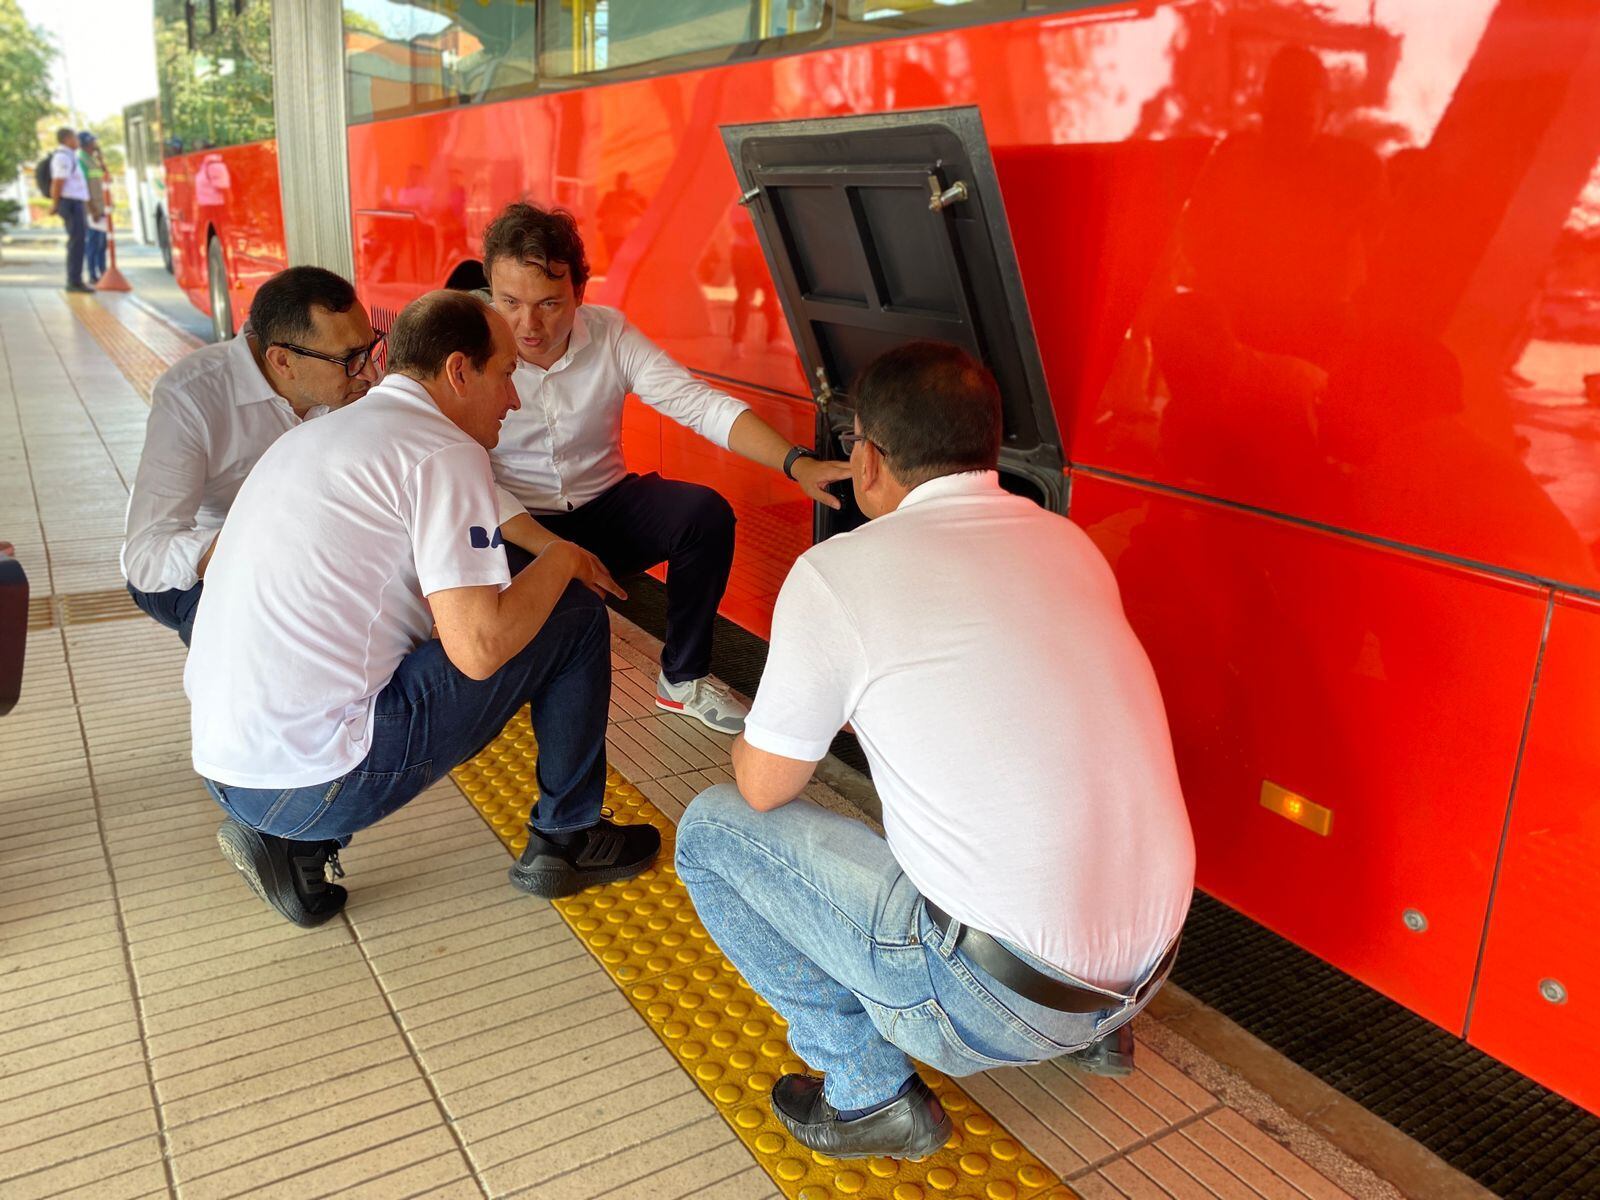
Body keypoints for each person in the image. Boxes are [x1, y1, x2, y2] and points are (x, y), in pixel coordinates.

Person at [675, 342, 1196, 1160]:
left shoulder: (837, 573)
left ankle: (866, 1092)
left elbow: (764, 786)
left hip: (991, 1004)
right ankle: (1099, 1037)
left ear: (868, 458)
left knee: (710, 830)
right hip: (1148, 970)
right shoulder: (1070, 544)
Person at [185, 291, 657, 928]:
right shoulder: (444, 449)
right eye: (506, 374)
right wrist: (565, 559)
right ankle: (568, 837)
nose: (513, 400)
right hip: (314, 781)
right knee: (570, 615)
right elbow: (480, 649)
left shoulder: (325, 431)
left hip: (229, 769)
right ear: (459, 370)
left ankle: (295, 845)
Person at [482, 202, 851, 734]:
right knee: (557, 618)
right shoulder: (468, 349)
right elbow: (458, 471)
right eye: (509, 302)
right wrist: (554, 553)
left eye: (549, 304)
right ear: (490, 291)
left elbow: (699, 405)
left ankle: (681, 680)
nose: (528, 325)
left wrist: (798, 464)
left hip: (602, 507)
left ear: (580, 295)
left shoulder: (610, 336)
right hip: (515, 527)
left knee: (703, 515)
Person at [120, 267, 383, 645]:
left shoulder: (351, 388)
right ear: (282, 361)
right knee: (244, 628)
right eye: (351, 358)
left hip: (307, 553)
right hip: (195, 567)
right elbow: (147, 555)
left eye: (371, 348)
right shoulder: (191, 396)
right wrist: (263, 547)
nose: (372, 373)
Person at [48, 128, 92, 295]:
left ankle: (76, 279)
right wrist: (55, 204)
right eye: (75, 138)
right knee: (76, 242)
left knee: (79, 242)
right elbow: (58, 182)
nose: (78, 141)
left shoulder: (70, 156)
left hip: (75, 202)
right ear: (67, 139)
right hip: (70, 203)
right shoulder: (63, 157)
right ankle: (74, 281)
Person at [79, 132, 109, 284]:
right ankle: (92, 273)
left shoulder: (93, 160)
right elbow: (83, 188)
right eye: (92, 141)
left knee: (102, 243)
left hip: (101, 206)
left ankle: (103, 271)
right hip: (92, 209)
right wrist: (92, 210)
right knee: (93, 242)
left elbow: (107, 177)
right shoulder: (81, 161)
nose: (95, 144)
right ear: (85, 143)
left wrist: (101, 159)